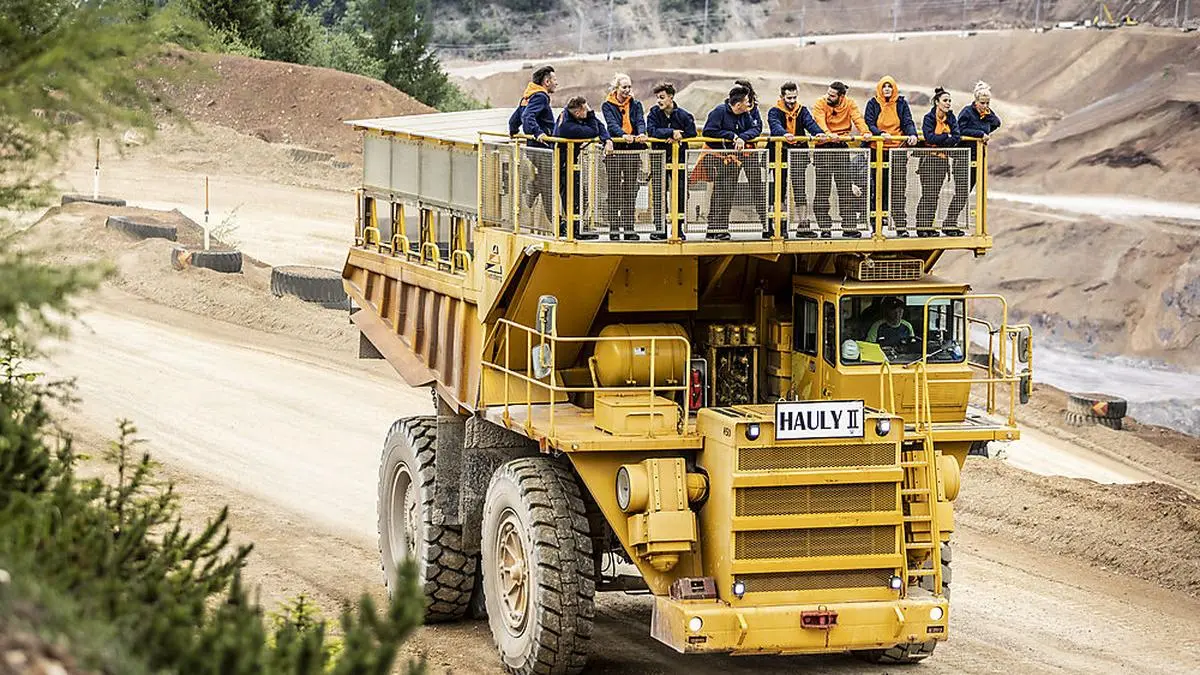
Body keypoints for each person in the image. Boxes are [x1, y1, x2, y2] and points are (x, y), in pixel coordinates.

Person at [812, 81, 870, 238]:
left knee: (845, 188)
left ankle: (849, 226)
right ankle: (825, 227)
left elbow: (857, 118)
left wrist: (865, 132)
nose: (828, 97)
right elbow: (819, 120)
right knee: (822, 190)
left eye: (832, 95)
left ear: (841, 96)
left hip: (841, 147)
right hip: (824, 147)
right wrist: (828, 133)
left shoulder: (850, 104)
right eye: (828, 93)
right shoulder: (820, 103)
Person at [700, 86, 758, 240]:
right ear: (738, 104)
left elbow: (755, 129)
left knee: (728, 192)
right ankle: (714, 228)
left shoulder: (745, 114)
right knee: (720, 192)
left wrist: (742, 138)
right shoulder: (719, 112)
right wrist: (731, 135)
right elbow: (708, 131)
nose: (749, 104)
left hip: (734, 159)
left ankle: (721, 228)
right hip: (719, 157)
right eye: (746, 101)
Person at [864, 75, 918, 235]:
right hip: (877, 150)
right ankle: (877, 226)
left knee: (898, 189)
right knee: (877, 188)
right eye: (884, 86)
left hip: (897, 150)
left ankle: (900, 227)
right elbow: (869, 123)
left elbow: (907, 121)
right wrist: (879, 133)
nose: (887, 89)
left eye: (890, 86)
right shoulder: (873, 103)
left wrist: (912, 134)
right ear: (880, 89)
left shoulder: (901, 103)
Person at [768, 81, 823, 238]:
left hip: (798, 153)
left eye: (794, 98)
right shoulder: (774, 111)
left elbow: (809, 123)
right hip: (780, 153)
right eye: (789, 98)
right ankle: (781, 225)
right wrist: (784, 134)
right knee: (780, 189)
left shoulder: (802, 110)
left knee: (800, 189)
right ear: (782, 97)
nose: (792, 101)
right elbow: (775, 125)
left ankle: (803, 225)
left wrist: (817, 132)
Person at [554, 96, 613, 240]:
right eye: (586, 109)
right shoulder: (567, 125)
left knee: (579, 194)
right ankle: (572, 230)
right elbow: (592, 131)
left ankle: (575, 227)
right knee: (571, 196)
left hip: (571, 162)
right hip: (562, 164)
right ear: (579, 112)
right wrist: (591, 115)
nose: (589, 111)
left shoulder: (573, 117)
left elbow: (600, 126)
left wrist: (607, 140)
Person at [646, 82, 697, 240]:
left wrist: (678, 137)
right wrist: (671, 132)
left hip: (678, 158)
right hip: (659, 157)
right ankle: (659, 229)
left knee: (681, 192)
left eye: (662, 97)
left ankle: (678, 228)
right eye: (657, 98)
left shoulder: (683, 115)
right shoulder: (654, 113)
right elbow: (652, 130)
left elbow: (692, 132)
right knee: (659, 193)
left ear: (671, 97)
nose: (658, 101)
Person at [509, 65, 558, 226]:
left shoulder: (528, 96)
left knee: (547, 180)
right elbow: (528, 116)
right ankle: (556, 223)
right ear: (547, 81)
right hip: (542, 148)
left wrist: (513, 130)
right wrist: (538, 133)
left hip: (534, 149)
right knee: (549, 185)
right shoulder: (540, 97)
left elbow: (516, 118)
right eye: (554, 80)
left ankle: (535, 186)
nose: (556, 83)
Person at [601, 73, 649, 240]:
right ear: (616, 89)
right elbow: (611, 124)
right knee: (614, 190)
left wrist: (641, 133)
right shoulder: (607, 105)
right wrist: (622, 134)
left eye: (629, 87)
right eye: (624, 87)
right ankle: (614, 229)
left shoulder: (636, 104)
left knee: (630, 189)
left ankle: (629, 228)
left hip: (632, 151)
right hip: (616, 150)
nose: (627, 90)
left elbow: (640, 121)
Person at [917, 87, 965, 237]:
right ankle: (921, 226)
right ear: (937, 102)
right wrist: (946, 136)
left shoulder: (951, 118)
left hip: (942, 161)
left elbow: (956, 137)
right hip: (929, 159)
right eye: (945, 100)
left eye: (950, 101)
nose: (948, 103)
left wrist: (944, 138)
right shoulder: (929, 118)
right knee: (928, 194)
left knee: (935, 194)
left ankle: (929, 226)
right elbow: (929, 137)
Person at [734, 79, 769, 235]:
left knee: (757, 189)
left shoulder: (754, 110)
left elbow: (757, 128)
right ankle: (717, 226)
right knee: (726, 188)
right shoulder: (729, 107)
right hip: (732, 153)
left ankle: (766, 224)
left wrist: (741, 137)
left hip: (749, 153)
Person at [957, 81, 1001, 191]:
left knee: (969, 190)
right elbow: (960, 129)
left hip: (979, 155)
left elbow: (997, 123)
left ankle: (962, 208)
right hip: (964, 155)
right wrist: (980, 134)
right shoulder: (967, 111)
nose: (985, 106)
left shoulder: (986, 114)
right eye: (982, 103)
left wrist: (988, 115)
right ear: (976, 101)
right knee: (961, 191)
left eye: (987, 103)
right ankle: (954, 209)